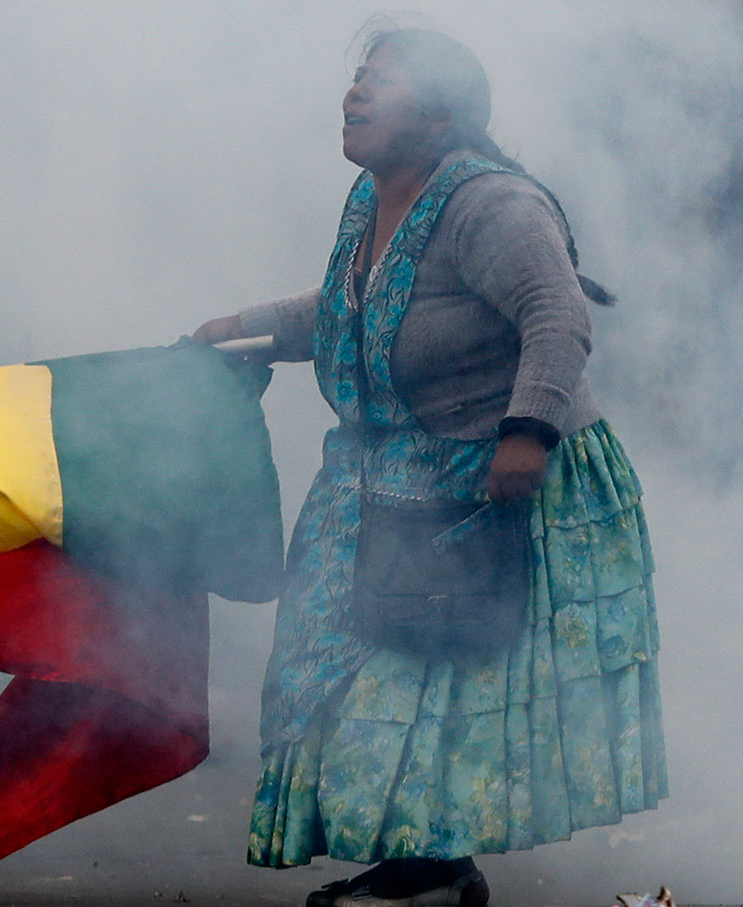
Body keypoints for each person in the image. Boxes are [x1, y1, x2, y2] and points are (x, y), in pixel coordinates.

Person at [194, 28, 665, 907]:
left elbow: (557, 318)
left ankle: (433, 871)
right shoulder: (373, 202)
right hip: (391, 483)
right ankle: (427, 869)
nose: (356, 92)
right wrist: (247, 326)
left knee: (423, 684)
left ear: (444, 111)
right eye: (357, 77)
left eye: (383, 79)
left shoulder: (492, 206)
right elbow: (354, 308)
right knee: (353, 672)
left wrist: (526, 436)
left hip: (498, 488)